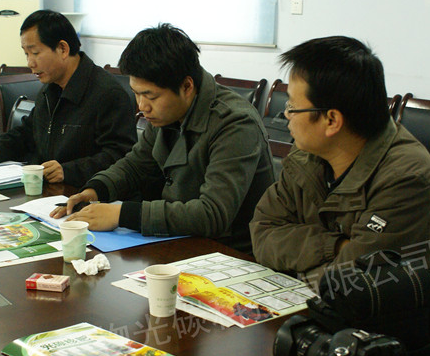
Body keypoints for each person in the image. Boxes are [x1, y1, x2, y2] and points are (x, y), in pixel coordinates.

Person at [249, 36, 430, 344]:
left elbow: (351, 282)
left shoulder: (405, 175)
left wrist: (304, 256)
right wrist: (336, 247)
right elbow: (263, 232)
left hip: (408, 339)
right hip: (325, 319)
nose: (285, 115)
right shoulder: (307, 156)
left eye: (293, 106)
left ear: (331, 120)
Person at [52, 24, 275, 253]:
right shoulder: (169, 111)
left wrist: (122, 214)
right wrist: (96, 190)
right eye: (136, 93)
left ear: (187, 86)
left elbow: (212, 213)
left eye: (150, 96)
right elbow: (135, 165)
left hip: (231, 254)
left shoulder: (235, 122)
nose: (142, 106)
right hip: (182, 241)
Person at [0, 10, 136, 188]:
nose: (30, 63)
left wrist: (68, 171)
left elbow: (121, 156)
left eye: (35, 53)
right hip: (48, 191)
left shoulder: (107, 94)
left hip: (85, 192)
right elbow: (27, 133)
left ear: (63, 49)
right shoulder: (50, 89)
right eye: (26, 54)